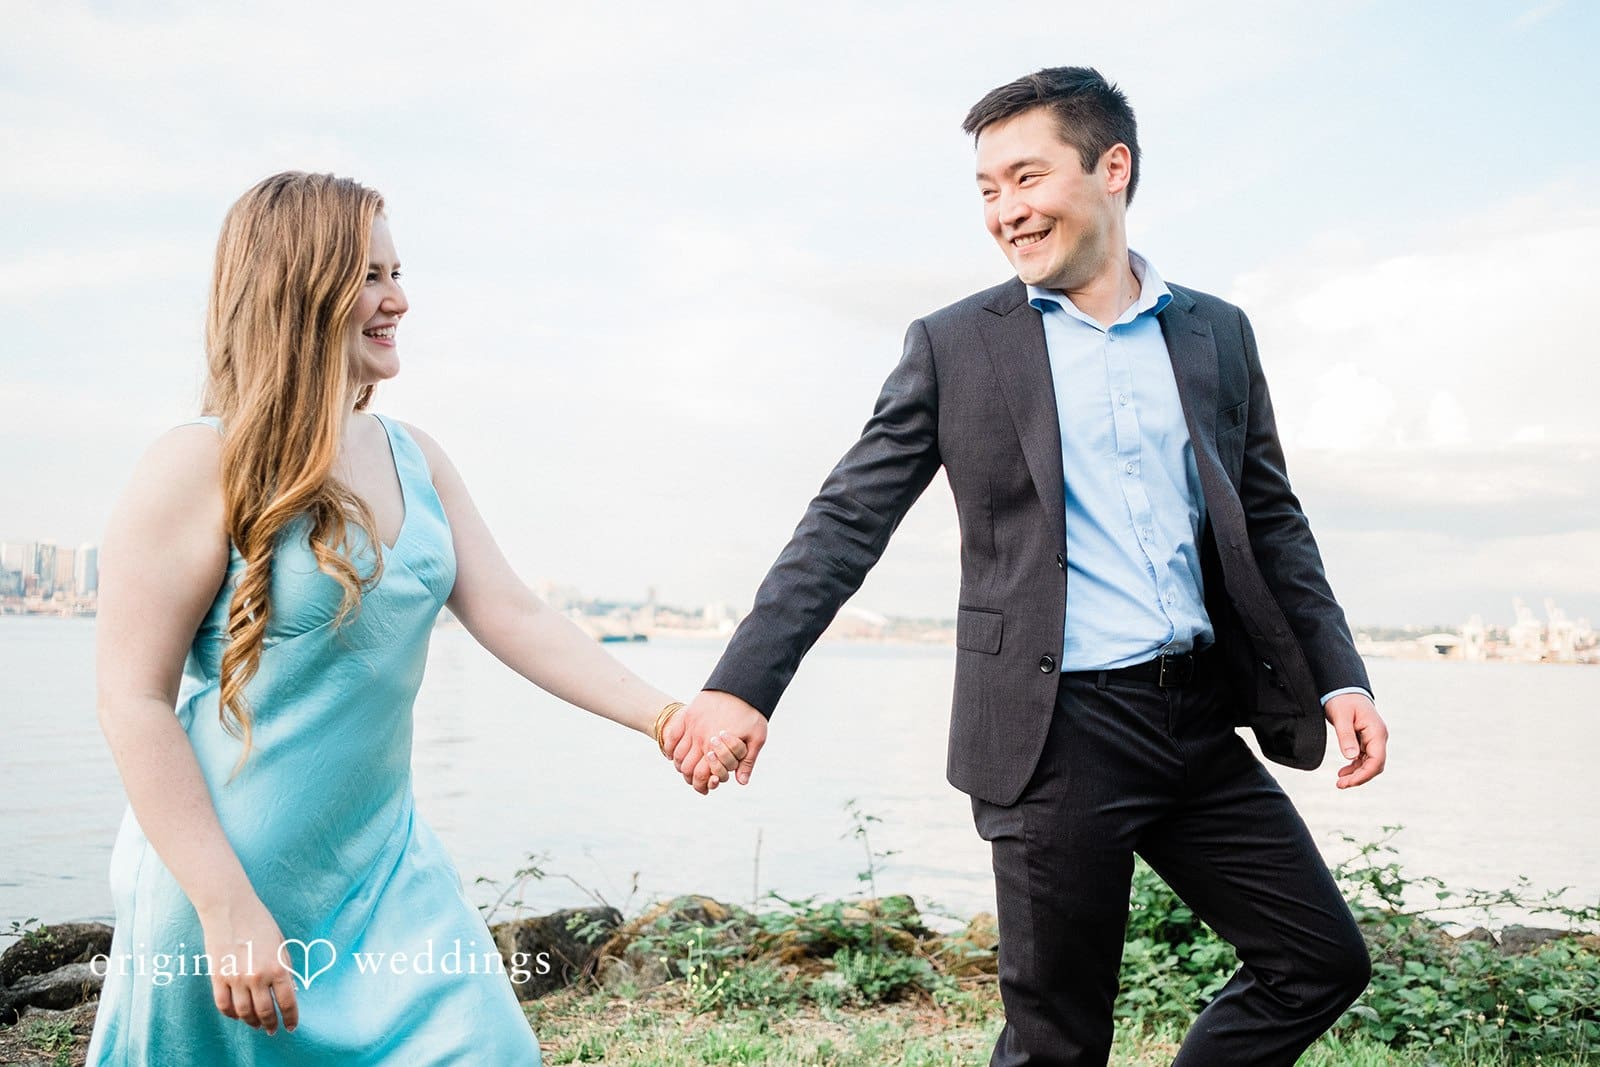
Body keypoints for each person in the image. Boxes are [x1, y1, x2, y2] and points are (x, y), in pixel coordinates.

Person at [664, 68, 1390, 1066]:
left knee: (1317, 959)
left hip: (1195, 715)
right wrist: (743, 683)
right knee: (1056, 1041)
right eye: (987, 189)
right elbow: (845, 521)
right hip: (1054, 731)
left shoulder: (1216, 332)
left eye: (1026, 177)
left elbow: (1270, 519)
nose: (1005, 210)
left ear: (1111, 168)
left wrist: (1340, 674)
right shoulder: (956, 345)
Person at [86, 171, 743, 1064]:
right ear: (298, 288)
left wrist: (666, 717)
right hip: (225, 883)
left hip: (387, 870)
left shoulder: (415, 456)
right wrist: (221, 901)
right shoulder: (194, 462)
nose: (398, 299)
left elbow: (514, 613)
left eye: (396, 272)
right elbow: (131, 699)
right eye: (369, 276)